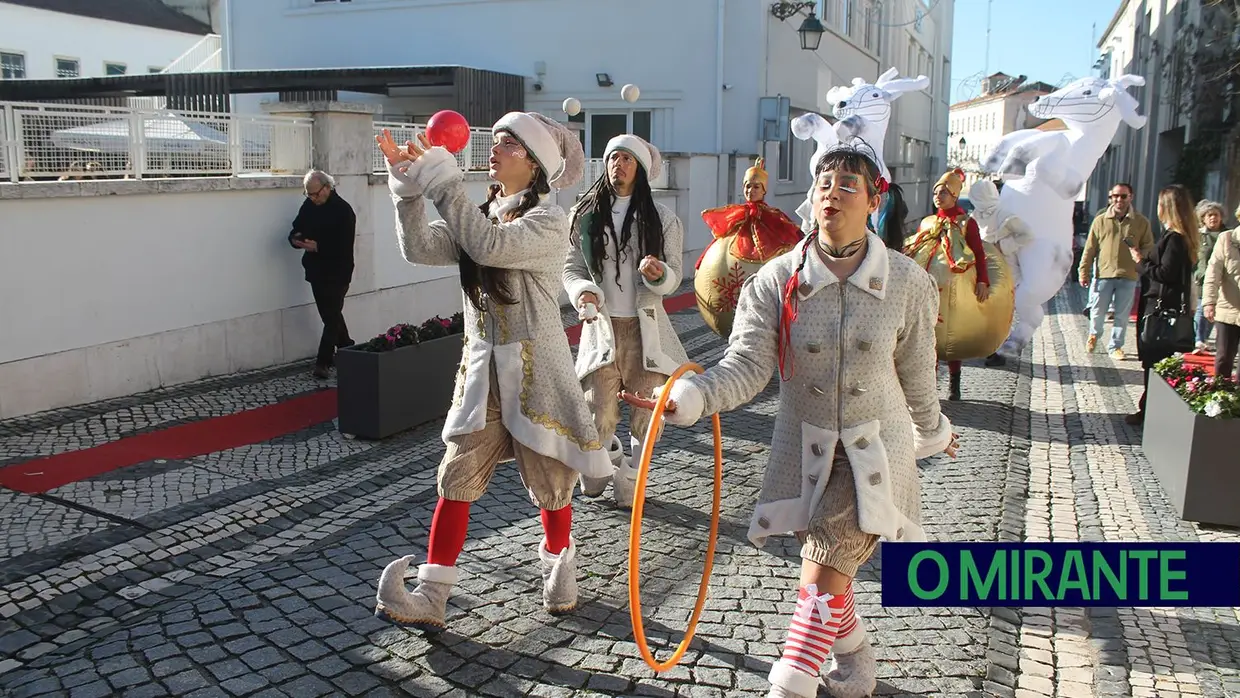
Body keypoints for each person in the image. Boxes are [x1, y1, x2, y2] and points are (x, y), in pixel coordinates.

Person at [634, 144, 957, 698]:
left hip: (876, 453)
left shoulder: (906, 282)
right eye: (824, 183)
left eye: (848, 185)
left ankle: (791, 684)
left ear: (873, 201)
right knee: (829, 568)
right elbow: (747, 365)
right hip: (803, 451)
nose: (832, 194)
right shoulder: (775, 279)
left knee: (825, 565)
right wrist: (692, 397)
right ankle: (855, 661)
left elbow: (917, 373)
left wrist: (933, 430)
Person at [373, 112, 611, 630]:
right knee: (455, 475)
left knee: (551, 477)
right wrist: (408, 188)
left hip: (538, 373)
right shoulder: (479, 215)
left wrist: (440, 177)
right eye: (496, 140)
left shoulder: (549, 221)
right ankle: (432, 594)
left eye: (508, 143)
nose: (494, 149)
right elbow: (419, 248)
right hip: (482, 374)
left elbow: (490, 246)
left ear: (535, 164)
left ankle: (560, 569)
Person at [564, 134, 689, 509]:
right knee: (597, 408)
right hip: (601, 329)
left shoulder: (663, 219)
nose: (617, 165)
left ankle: (633, 474)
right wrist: (584, 292)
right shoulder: (584, 214)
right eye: (613, 158)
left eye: (626, 159)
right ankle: (606, 458)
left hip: (645, 330)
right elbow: (571, 268)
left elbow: (674, 275)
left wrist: (659, 274)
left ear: (641, 169)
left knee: (647, 412)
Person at [904, 168, 995, 401]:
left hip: (956, 289)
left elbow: (979, 253)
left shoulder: (966, 223)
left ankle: (955, 381)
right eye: (936, 193)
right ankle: (930, 387)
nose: (938, 197)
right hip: (927, 287)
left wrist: (983, 280)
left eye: (943, 192)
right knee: (928, 335)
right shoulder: (928, 222)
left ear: (954, 195)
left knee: (951, 333)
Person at [696, 157, 804, 337]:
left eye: (756, 187)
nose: (750, 191)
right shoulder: (736, 219)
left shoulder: (776, 220)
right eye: (747, 186)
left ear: (764, 190)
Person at [1128, 184, 1201, 425]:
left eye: (1160, 203)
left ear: (1166, 207)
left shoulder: (1175, 239)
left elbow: (1166, 273)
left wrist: (1140, 262)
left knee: (1154, 362)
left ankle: (1149, 413)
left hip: (1160, 309)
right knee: (1156, 362)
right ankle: (1148, 409)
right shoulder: (1178, 236)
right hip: (1162, 306)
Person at [288, 170, 356, 379]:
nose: (312, 198)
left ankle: (323, 362)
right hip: (316, 270)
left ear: (327, 188)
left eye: (315, 194)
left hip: (338, 271)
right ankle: (348, 348)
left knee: (331, 317)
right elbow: (296, 228)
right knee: (331, 314)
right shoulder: (309, 206)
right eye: (308, 194)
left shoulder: (343, 210)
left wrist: (319, 247)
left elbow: (344, 246)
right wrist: (296, 239)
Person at [1078, 182, 1154, 360]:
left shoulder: (1141, 222)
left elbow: (1149, 246)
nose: (1119, 200)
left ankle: (1116, 346)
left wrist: (1140, 256)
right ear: (1110, 198)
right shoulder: (1101, 221)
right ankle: (1094, 334)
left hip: (1128, 275)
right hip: (1103, 274)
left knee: (1121, 314)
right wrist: (1083, 271)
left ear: (1131, 197)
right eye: (1115, 196)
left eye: (1123, 196)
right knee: (1097, 311)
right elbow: (1090, 249)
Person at [1202, 203, 1240, 380]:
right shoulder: (1226, 239)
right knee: (1224, 357)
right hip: (1228, 311)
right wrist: (1209, 302)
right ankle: (1220, 392)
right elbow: (1212, 273)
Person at [1193, 200, 1227, 353]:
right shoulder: (1199, 235)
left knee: (1215, 310)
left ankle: (1205, 338)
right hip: (1203, 279)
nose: (1213, 218)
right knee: (1202, 308)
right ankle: (1199, 339)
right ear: (1203, 218)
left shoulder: (1227, 235)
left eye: (1216, 215)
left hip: (1223, 279)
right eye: (1209, 215)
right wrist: (1196, 273)